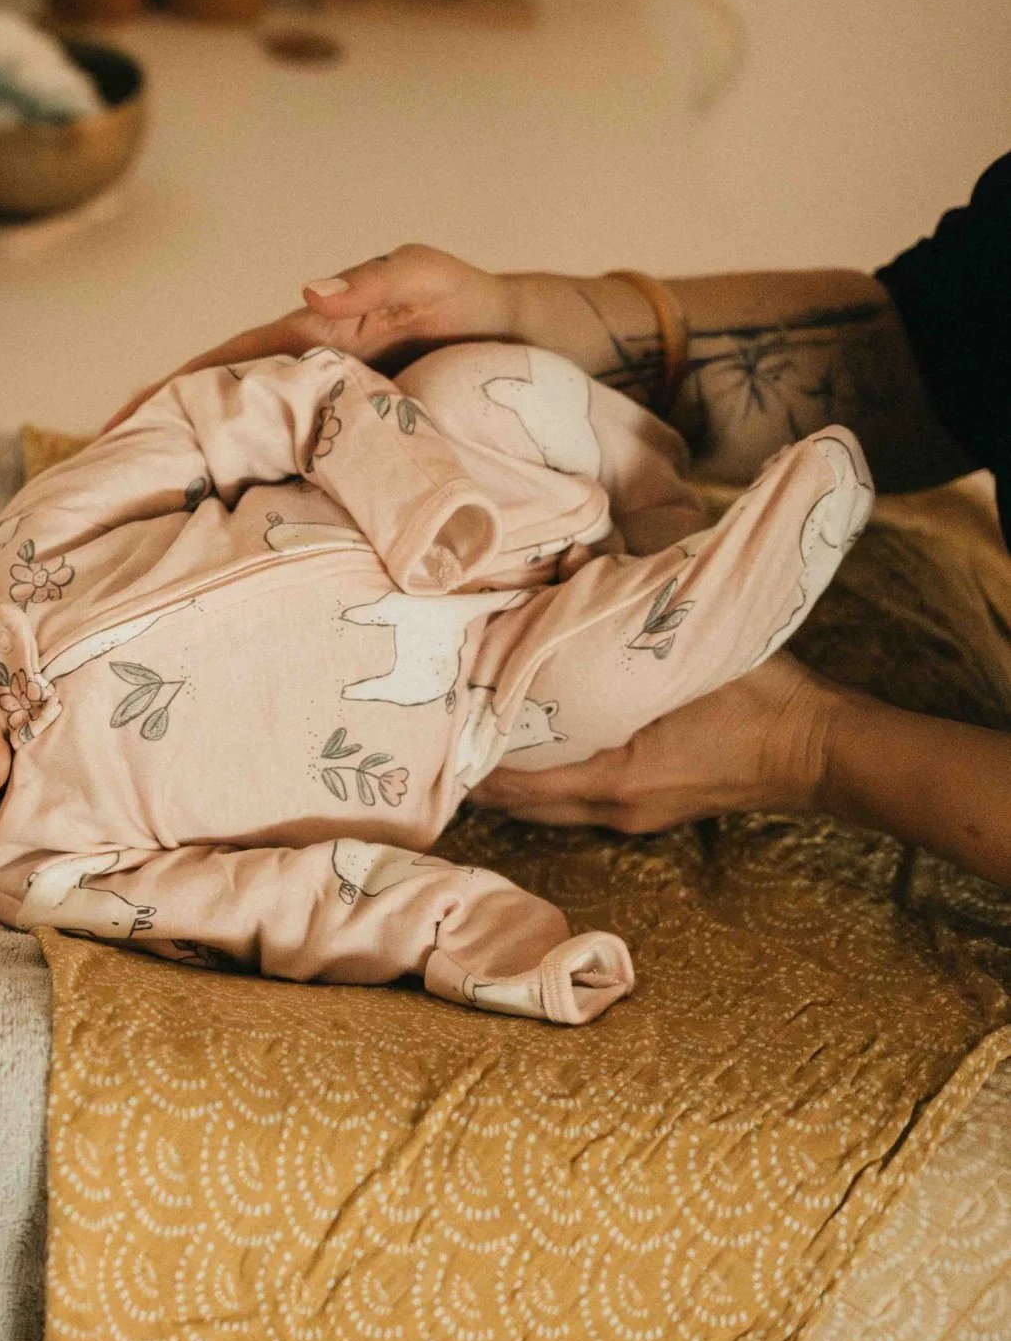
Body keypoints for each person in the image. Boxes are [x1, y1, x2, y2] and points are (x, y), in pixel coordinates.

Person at [0, 338, 875, 1024]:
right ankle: (720, 592)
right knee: (588, 698)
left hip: (439, 508)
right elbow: (283, 903)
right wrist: (474, 936)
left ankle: (653, 494)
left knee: (479, 382)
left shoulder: (27, 550)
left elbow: (236, 417)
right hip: (477, 694)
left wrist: (411, 487)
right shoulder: (41, 871)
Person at [139, 152, 1011, 886]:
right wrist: (529, 316)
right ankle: (682, 551)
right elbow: (942, 347)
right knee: (462, 388)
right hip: (514, 519)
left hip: (496, 657)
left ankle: (720, 587)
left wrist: (809, 744)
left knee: (574, 690)